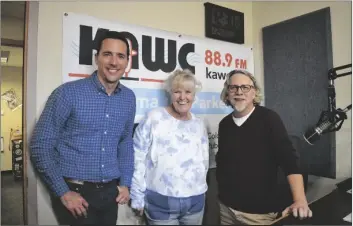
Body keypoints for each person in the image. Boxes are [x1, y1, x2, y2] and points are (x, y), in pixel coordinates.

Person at [30, 31, 136, 225]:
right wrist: (63, 192)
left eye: (121, 56)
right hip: (76, 194)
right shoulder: (67, 93)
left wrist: (125, 182)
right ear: (97, 58)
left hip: (110, 193)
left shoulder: (129, 98)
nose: (114, 62)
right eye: (107, 54)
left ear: (127, 61)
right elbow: (40, 145)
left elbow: (125, 141)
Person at [216, 69, 312, 225]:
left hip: (258, 215)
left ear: (254, 93)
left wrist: (300, 200)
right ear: (227, 93)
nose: (239, 92)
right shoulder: (224, 124)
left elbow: (290, 161)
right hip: (226, 210)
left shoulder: (269, 119)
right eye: (233, 87)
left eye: (245, 87)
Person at [130, 69, 209, 225]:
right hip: (161, 203)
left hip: (195, 202)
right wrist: (137, 196)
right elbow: (137, 156)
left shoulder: (199, 124)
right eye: (177, 91)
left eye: (188, 92)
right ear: (170, 94)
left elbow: (204, 162)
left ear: (194, 96)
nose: (182, 97)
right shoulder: (154, 117)